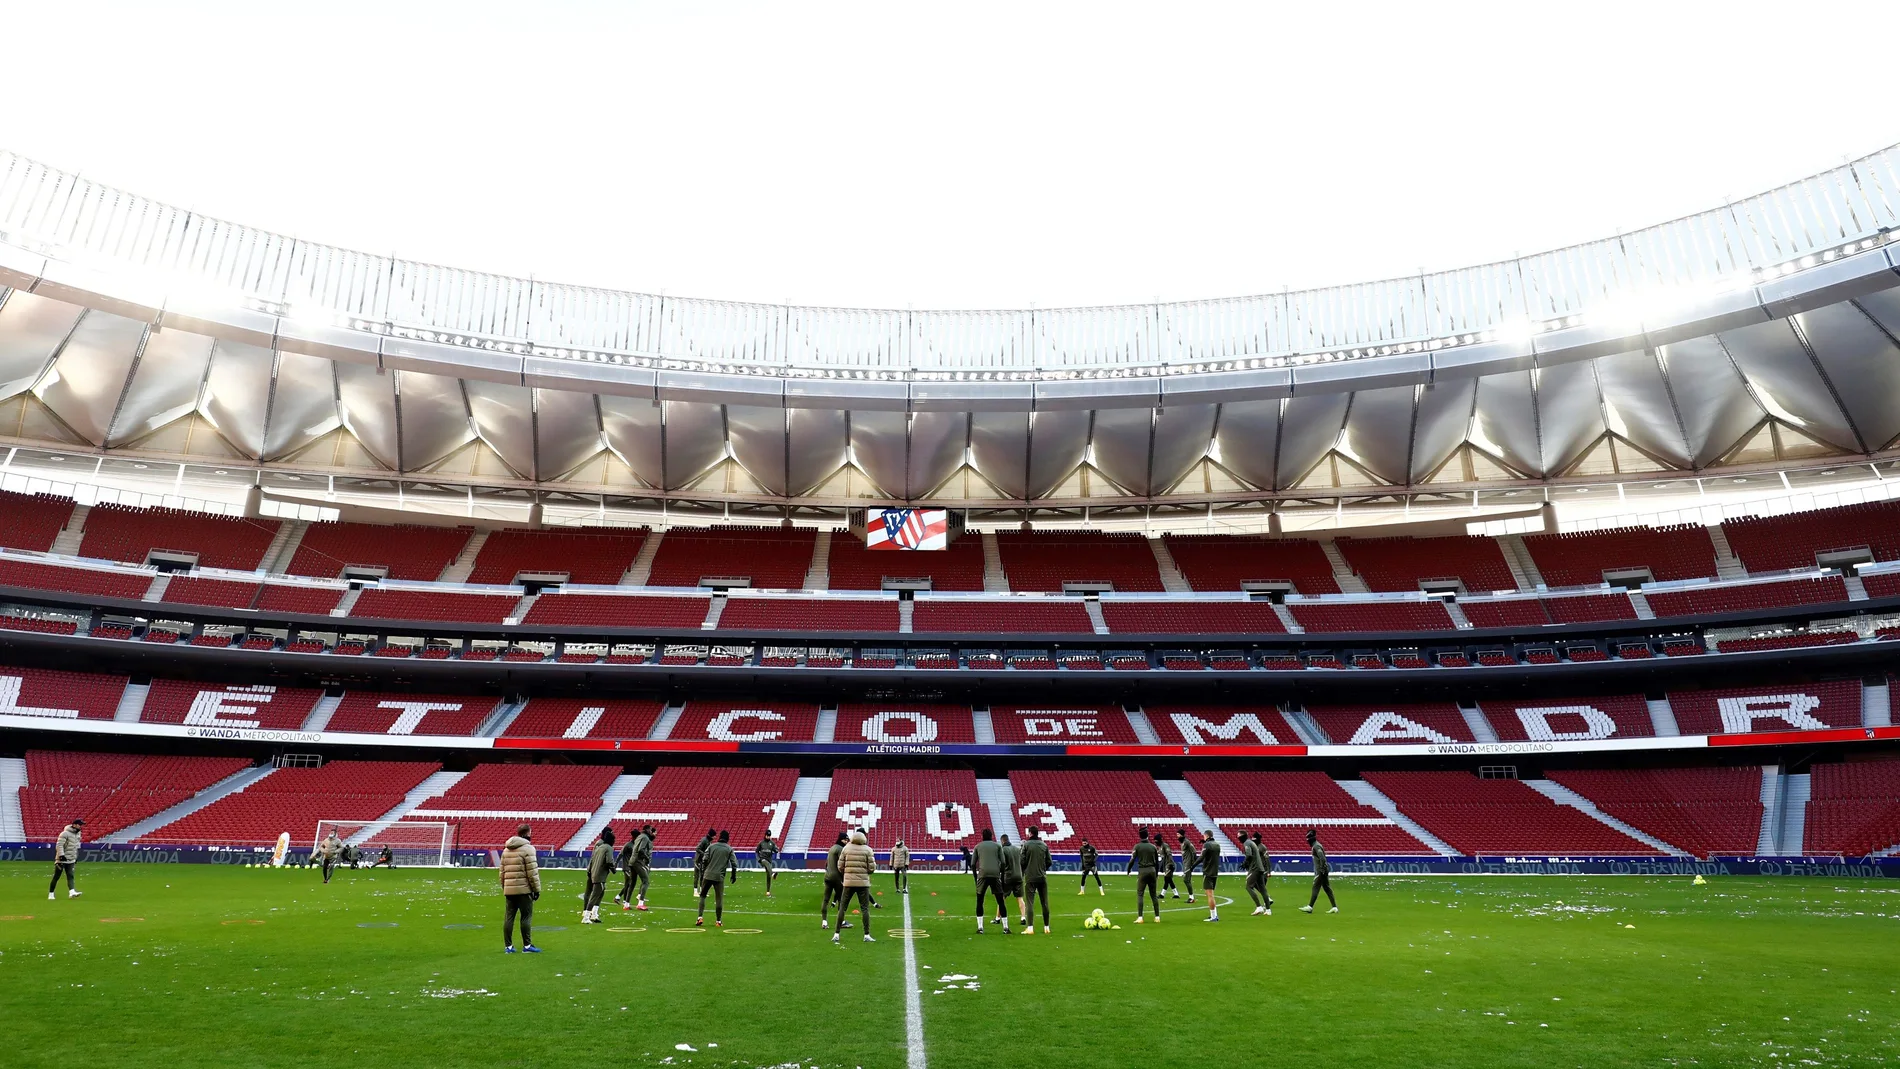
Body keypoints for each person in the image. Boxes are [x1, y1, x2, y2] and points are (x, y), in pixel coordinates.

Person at [500, 823, 542, 953]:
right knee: (526, 917)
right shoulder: (528, 849)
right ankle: (527, 946)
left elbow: (502, 872)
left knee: (509, 917)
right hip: (524, 890)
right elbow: (532, 872)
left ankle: (508, 946)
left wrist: (505, 887)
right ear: (528, 833)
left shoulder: (506, 850)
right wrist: (536, 889)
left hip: (509, 890)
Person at [832, 829, 878, 944]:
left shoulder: (846, 848)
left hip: (848, 883)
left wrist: (847, 874)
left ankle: (836, 934)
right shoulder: (868, 850)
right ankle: (866, 934)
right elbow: (872, 868)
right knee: (865, 909)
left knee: (842, 907)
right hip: (863, 883)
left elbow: (840, 866)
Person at [971, 827, 1009, 934]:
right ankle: (1005, 927)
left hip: (982, 875)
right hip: (995, 875)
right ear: (991, 836)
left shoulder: (978, 846)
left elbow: (973, 864)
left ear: (982, 837)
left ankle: (980, 927)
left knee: (980, 900)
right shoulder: (997, 846)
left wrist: (976, 877)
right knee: (1000, 901)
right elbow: (1003, 862)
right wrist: (1000, 875)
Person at [697, 830, 736, 927]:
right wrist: (733, 875)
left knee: (703, 895)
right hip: (719, 877)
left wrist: (704, 871)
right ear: (727, 838)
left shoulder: (711, 846)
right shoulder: (729, 849)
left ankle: (699, 917)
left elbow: (704, 859)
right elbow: (734, 863)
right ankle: (718, 921)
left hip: (707, 875)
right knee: (719, 899)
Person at [1019, 825, 1052, 933]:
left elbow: (1022, 861)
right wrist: (1043, 869)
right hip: (1042, 877)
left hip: (1030, 877)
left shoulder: (1026, 845)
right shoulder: (1044, 845)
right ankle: (1047, 927)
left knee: (1030, 903)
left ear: (1030, 833)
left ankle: (1030, 928)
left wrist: (1026, 870)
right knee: (1045, 902)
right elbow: (1049, 862)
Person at [1127, 827, 1161, 923]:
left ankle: (1140, 917)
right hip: (1152, 870)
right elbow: (1157, 862)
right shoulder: (1153, 847)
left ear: (1139, 836)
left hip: (1143, 871)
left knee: (1140, 894)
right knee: (1153, 895)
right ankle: (1157, 917)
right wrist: (1157, 874)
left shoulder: (1137, 847)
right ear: (1148, 836)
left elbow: (1132, 859)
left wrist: (1128, 870)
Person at [1300, 828, 1338, 914]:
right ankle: (1334, 907)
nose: (1307, 841)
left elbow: (1322, 857)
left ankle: (1310, 907)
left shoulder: (1316, 846)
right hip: (1323, 870)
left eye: (1308, 839)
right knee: (1327, 888)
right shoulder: (1316, 845)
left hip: (1320, 871)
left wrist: (1322, 868)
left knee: (1315, 887)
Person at [583, 827, 615, 924]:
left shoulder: (599, 846)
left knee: (600, 892)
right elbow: (609, 861)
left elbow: (593, 859)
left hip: (593, 872)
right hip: (598, 874)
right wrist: (613, 869)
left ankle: (594, 914)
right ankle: (586, 916)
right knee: (594, 894)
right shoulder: (607, 847)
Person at [820, 832, 850, 929]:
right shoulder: (841, 849)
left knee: (825, 899)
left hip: (827, 876)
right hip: (836, 877)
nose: (846, 842)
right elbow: (842, 865)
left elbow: (826, 864)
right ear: (842, 839)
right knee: (841, 900)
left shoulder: (832, 848)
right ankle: (842, 922)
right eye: (845, 840)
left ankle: (824, 922)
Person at [48, 818, 83, 900]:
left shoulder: (78, 834)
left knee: (70, 875)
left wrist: (75, 856)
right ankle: (51, 894)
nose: (80, 827)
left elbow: (76, 846)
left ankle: (72, 892)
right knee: (56, 876)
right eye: (79, 825)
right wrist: (61, 855)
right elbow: (59, 845)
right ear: (74, 825)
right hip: (62, 859)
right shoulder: (64, 833)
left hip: (71, 859)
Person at [626, 824, 654, 911]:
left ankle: (626, 904)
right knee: (646, 881)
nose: (651, 831)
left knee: (632, 883)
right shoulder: (645, 838)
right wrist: (647, 858)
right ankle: (640, 903)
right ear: (647, 830)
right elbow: (641, 849)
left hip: (632, 861)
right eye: (650, 830)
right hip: (638, 861)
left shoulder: (639, 837)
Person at [998, 833, 1023, 928]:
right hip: (1018, 875)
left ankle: (997, 918)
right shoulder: (1017, 849)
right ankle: (1023, 917)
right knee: (1020, 898)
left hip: (1008, 876)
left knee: (1002, 897)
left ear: (1002, 841)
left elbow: (1003, 863)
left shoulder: (1003, 850)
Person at [1196, 829, 1221, 922]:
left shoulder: (1207, 845)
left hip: (1208, 872)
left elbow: (1202, 857)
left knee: (1210, 894)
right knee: (1210, 893)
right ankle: (1214, 915)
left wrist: (1192, 866)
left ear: (1206, 836)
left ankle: (1214, 916)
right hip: (1214, 872)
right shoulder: (1217, 844)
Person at [1245, 831, 1272, 916]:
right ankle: (1268, 907)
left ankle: (1261, 906)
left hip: (1261, 870)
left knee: (1250, 886)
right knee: (1260, 888)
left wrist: (1268, 871)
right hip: (1258, 869)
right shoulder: (1255, 846)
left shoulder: (1262, 847)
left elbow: (1267, 859)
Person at [614, 830, 639, 907]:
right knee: (629, 883)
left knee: (628, 884)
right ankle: (623, 900)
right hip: (627, 867)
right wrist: (616, 863)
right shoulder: (628, 845)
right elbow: (620, 854)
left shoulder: (636, 845)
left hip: (632, 867)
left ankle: (619, 898)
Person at [692, 827, 715, 899]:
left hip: (703, 861)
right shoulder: (704, 840)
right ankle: (695, 891)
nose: (714, 837)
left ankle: (702, 891)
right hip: (698, 860)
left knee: (702, 876)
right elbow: (697, 848)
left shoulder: (708, 841)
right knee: (697, 876)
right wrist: (704, 854)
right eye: (714, 836)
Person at [755, 832, 779, 898]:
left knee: (768, 875)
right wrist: (758, 859)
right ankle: (773, 874)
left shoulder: (772, 843)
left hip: (769, 860)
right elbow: (756, 851)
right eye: (767, 836)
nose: (768, 837)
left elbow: (776, 849)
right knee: (765, 862)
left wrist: (776, 850)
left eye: (769, 836)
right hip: (762, 859)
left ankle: (768, 891)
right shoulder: (761, 843)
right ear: (765, 835)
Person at [1159, 832, 1179, 898]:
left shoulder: (1165, 845)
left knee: (1167, 879)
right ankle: (1176, 894)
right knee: (1169, 880)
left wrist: (1170, 863)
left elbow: (1169, 854)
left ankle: (1162, 894)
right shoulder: (1161, 847)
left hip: (1169, 864)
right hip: (1166, 865)